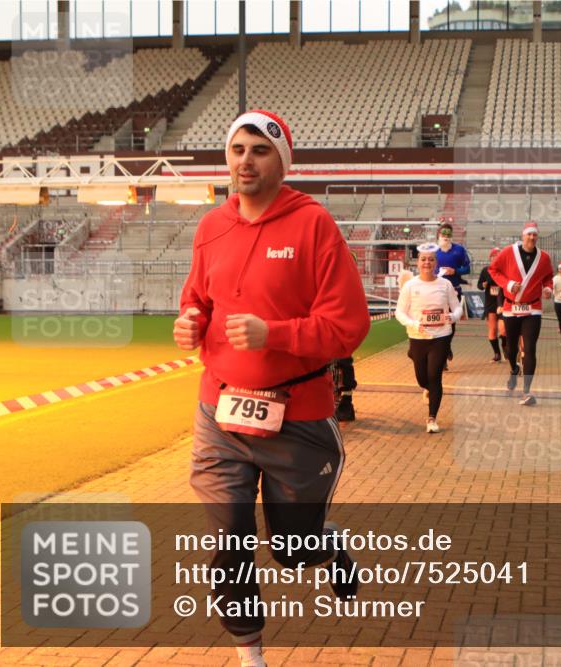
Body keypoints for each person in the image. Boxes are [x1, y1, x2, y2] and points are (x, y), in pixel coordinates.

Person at [173, 110, 370, 667]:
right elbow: (198, 298)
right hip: (220, 410)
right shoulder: (211, 226)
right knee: (228, 539)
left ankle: (322, 542)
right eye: (237, 150)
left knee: (290, 547)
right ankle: (250, 654)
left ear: (283, 161)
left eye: (259, 150)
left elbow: (348, 327)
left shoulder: (314, 226)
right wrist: (188, 319)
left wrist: (273, 334)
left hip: (297, 417)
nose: (245, 161)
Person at [395, 243, 463, 432]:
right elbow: (399, 312)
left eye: (431, 259)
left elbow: (457, 307)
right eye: (423, 259)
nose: (427, 262)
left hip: (441, 336)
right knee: (422, 378)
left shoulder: (445, 284)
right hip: (417, 337)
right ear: (418, 263)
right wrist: (414, 324)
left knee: (435, 376)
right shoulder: (410, 286)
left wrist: (454, 316)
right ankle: (427, 388)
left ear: (436, 262)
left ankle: (432, 418)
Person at [488, 221, 555, 406]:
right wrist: (508, 284)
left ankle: (526, 391)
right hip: (511, 307)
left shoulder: (544, 257)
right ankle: (513, 368)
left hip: (532, 308)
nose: (532, 238)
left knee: (530, 348)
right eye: (529, 234)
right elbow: (493, 269)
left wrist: (548, 288)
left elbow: (549, 276)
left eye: (535, 235)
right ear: (522, 235)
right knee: (510, 349)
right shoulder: (509, 252)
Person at [434, 221, 471, 369]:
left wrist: (455, 271)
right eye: (443, 234)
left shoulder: (459, 250)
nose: (445, 237)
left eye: (448, 234)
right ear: (438, 235)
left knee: (451, 321)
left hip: (454, 291)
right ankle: (442, 357)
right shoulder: (433, 251)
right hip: (436, 292)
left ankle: (447, 345)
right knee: (439, 322)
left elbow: (467, 268)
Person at [477, 247, 507, 362]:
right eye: (494, 256)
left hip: (503, 302)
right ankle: (497, 354)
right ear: (490, 258)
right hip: (491, 303)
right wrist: (483, 285)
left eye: (498, 257)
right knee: (492, 330)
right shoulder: (486, 270)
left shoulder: (505, 270)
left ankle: (505, 346)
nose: (496, 259)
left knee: (503, 330)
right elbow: (479, 285)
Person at [333, 356, 357, 422]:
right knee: (345, 395)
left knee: (344, 395)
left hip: (345, 380)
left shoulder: (343, 364)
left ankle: (344, 413)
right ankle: (347, 413)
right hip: (346, 379)